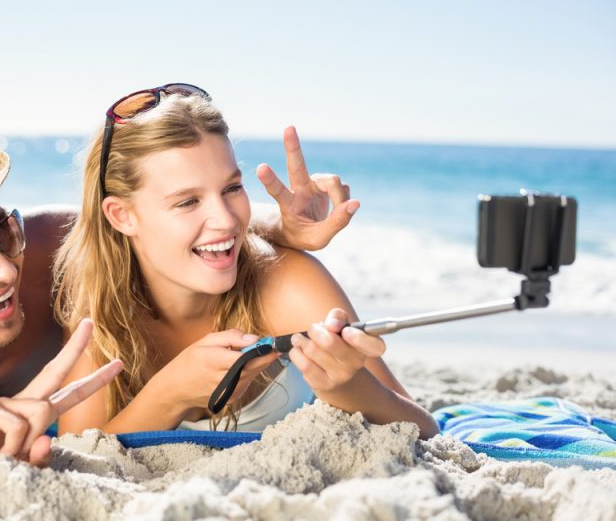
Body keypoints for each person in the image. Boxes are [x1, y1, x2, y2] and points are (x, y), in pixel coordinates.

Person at [0, 128, 356, 478]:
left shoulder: (48, 244)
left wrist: (277, 227)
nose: (6, 271)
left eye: (3, 233)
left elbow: (156, 228)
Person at [54, 84, 439, 438]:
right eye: (188, 201)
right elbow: (78, 456)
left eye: (232, 188)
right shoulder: (103, 317)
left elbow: (424, 430)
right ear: (122, 215)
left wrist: (349, 387)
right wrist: (169, 395)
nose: (226, 219)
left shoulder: (284, 281)